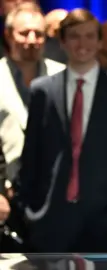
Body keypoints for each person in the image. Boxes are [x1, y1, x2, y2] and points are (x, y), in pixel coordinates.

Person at [18, 8, 107, 252]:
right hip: (49, 221)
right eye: (74, 36)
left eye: (89, 36)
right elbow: (31, 156)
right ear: (62, 41)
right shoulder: (43, 90)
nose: (82, 43)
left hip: (104, 223)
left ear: (99, 41)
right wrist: (29, 212)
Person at [0, 2, 65, 183]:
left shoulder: (63, 75)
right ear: (8, 35)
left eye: (38, 34)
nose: (31, 40)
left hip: (55, 185)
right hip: (8, 187)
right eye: (23, 33)